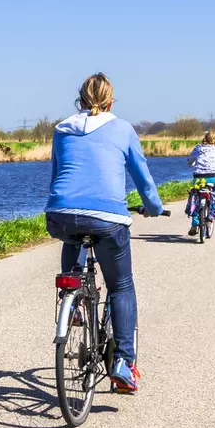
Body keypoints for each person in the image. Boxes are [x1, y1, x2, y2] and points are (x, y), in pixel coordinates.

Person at [46, 73, 163, 394]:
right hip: (107, 218)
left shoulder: (61, 129)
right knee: (121, 285)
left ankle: (70, 299)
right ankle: (124, 364)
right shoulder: (122, 128)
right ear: (110, 101)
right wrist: (153, 206)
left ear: (80, 100)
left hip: (60, 212)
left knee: (72, 233)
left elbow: (57, 173)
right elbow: (142, 176)